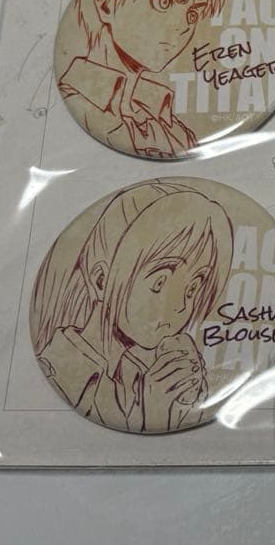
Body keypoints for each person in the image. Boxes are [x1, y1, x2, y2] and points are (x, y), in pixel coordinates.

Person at [31, 181, 234, 432]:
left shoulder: (142, 376)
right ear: (101, 281)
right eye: (160, 283)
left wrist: (186, 404)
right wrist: (156, 413)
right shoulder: (57, 372)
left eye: (192, 289)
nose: (181, 307)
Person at [57, 0, 234, 158]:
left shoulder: (173, 128)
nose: (181, 27)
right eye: (164, 2)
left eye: (192, 14)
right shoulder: (73, 108)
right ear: (106, 5)